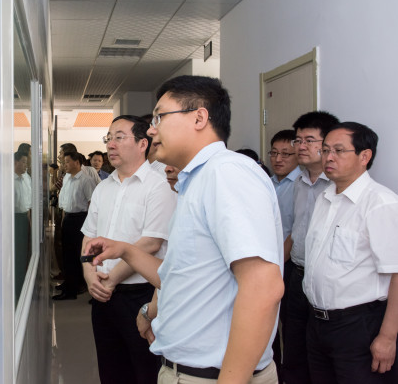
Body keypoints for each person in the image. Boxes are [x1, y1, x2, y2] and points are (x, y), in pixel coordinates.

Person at [86, 75, 284, 383]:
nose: (152, 130)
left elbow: (263, 287)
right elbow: (179, 274)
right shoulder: (196, 181)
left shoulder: (226, 173)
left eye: (160, 117)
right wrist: (124, 250)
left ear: (199, 118)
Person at [81, 115, 176, 384]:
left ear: (143, 143)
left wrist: (111, 279)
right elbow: (88, 237)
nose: (111, 144)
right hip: (102, 296)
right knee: (110, 369)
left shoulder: (159, 186)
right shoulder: (103, 188)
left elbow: (151, 243)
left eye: (119, 137)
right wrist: (89, 275)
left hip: (140, 296)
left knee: (144, 370)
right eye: (108, 138)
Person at [303, 122, 398, 383]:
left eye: (338, 150)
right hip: (317, 323)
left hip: (359, 327)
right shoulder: (324, 198)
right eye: (325, 150)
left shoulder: (380, 203)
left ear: (364, 156)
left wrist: (388, 337)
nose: (328, 157)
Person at [281, 111, 339, 384]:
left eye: (309, 140)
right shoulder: (299, 184)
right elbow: (294, 232)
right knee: (294, 347)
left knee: (323, 355)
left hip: (326, 280)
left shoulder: (337, 185)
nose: (301, 146)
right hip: (297, 274)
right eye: (298, 140)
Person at [267, 129, 301, 382]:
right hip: (268, 262)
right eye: (274, 153)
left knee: (290, 328)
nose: (278, 159)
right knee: (268, 325)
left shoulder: (301, 185)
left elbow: (295, 231)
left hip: (285, 264)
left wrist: (278, 263)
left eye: (286, 154)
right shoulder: (267, 182)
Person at [53, 151, 97, 300]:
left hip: (80, 219)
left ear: (77, 163)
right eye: (63, 162)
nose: (64, 165)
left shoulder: (86, 180)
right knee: (67, 254)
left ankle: (73, 289)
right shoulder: (67, 178)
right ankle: (68, 283)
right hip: (68, 217)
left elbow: (92, 203)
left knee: (75, 255)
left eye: (67, 162)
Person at [14, 151, 31, 300]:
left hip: (25, 217)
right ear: (15, 162)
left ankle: (23, 287)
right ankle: (17, 289)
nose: (26, 165)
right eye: (23, 162)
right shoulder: (9, 181)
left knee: (24, 254)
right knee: (17, 256)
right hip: (14, 220)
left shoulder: (25, 178)